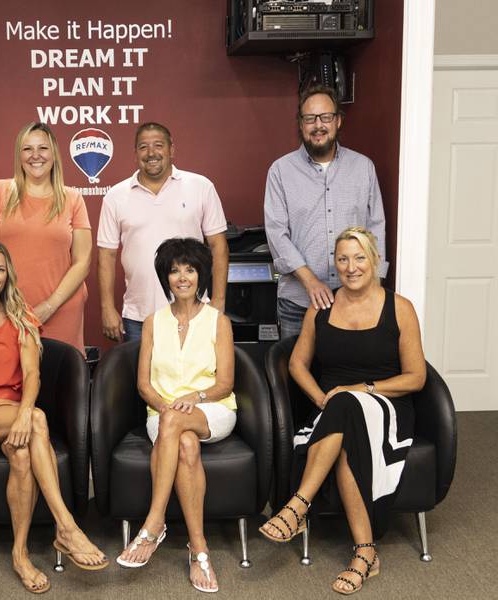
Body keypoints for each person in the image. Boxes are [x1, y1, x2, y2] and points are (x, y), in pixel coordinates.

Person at [259, 227, 426, 595]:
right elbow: (296, 365)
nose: (351, 267)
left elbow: (415, 377)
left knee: (348, 403)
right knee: (345, 418)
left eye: (359, 258)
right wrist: (321, 398)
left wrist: (361, 389)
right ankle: (365, 553)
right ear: (335, 264)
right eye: (343, 259)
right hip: (335, 409)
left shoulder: (399, 308)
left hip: (387, 406)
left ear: (375, 260)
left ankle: (298, 505)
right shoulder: (322, 307)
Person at [0, 240, 107, 593]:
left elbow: (32, 376)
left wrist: (23, 411)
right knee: (38, 421)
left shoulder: (22, 317)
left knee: (23, 453)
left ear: (7, 276)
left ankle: (20, 554)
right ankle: (67, 527)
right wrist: (21, 412)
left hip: (15, 416)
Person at [115, 238, 236, 594]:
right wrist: (168, 406)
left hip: (212, 409)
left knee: (179, 426)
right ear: (165, 277)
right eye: (174, 270)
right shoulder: (153, 322)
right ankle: (199, 549)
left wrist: (193, 397)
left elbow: (225, 384)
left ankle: (154, 524)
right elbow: (143, 385)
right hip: (164, 413)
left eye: (190, 269)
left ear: (201, 275)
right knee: (184, 444)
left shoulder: (218, 321)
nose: (182, 277)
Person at [264, 84, 388, 339]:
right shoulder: (280, 171)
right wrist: (310, 280)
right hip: (298, 303)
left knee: (349, 374)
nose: (318, 125)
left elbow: (376, 227)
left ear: (338, 121)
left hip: (356, 299)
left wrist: (375, 282)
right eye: (310, 118)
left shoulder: (363, 167)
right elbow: (276, 233)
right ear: (300, 124)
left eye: (326, 117)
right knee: (296, 375)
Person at [97, 122, 229, 343]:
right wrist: (107, 307)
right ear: (135, 152)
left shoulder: (201, 186)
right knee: (143, 378)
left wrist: (219, 301)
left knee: (198, 377)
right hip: (139, 317)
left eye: (158, 145)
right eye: (143, 147)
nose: (151, 153)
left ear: (171, 149)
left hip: (194, 312)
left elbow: (219, 246)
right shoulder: (115, 196)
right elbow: (106, 256)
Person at [0, 122, 91, 354]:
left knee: (59, 381)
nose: (35, 156)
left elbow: (83, 262)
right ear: (19, 155)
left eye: (43, 149)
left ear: (54, 154)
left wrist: (49, 306)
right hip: (6, 309)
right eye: (27, 149)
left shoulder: (73, 199)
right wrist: (1, 303)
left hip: (62, 309)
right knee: (9, 383)